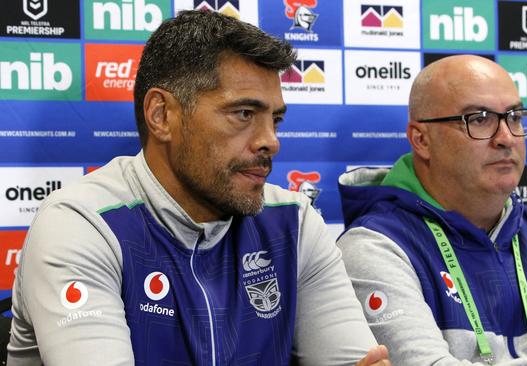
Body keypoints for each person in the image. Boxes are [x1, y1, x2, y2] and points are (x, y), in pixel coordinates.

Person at [7, 10, 390, 366]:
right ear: (162, 115)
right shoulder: (82, 225)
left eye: (275, 119)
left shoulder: (294, 222)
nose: (271, 141)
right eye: (244, 114)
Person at [336, 55, 527, 365]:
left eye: (515, 116)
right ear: (421, 139)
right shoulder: (376, 247)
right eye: (480, 118)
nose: (506, 137)